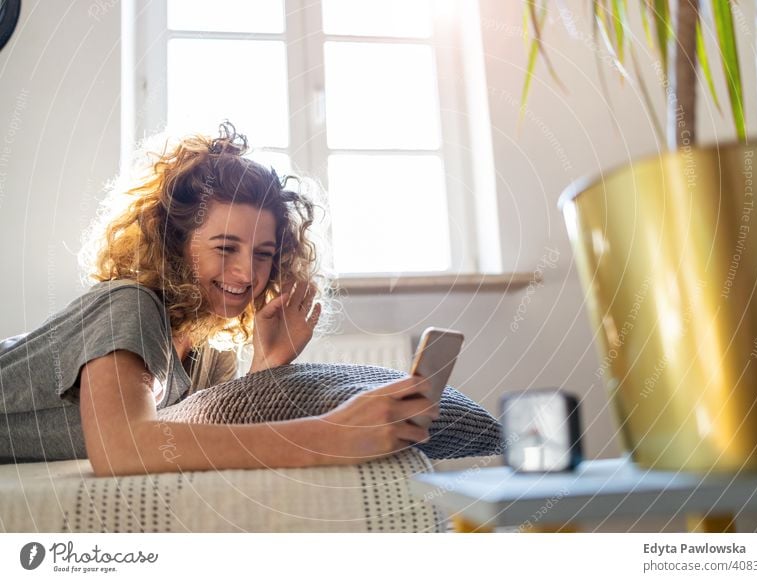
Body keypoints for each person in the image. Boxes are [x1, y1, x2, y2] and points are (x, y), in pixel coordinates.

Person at [0, 122, 438, 476]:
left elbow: (199, 447)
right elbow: (123, 448)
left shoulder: (211, 354)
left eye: (263, 254)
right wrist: (332, 434)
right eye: (225, 248)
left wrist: (265, 367)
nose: (248, 273)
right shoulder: (128, 305)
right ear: (174, 241)